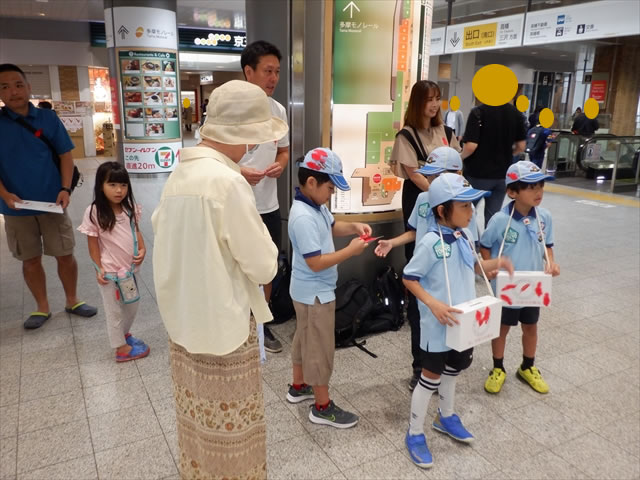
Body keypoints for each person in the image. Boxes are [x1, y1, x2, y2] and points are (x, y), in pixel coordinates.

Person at [152, 80, 285, 479]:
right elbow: (263, 266)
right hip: (225, 328)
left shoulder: (179, 176)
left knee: (196, 424)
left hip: (183, 323)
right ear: (244, 137)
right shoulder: (228, 184)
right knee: (233, 434)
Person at [402, 173, 513, 469]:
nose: (472, 211)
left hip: (463, 324)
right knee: (430, 379)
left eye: (471, 205)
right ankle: (414, 433)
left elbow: (475, 266)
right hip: (438, 326)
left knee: (454, 369)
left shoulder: (464, 236)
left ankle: (445, 416)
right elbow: (409, 278)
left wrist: (498, 263)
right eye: (464, 206)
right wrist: (433, 304)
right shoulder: (428, 243)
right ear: (442, 211)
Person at [0, 63, 97, 329]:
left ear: (28, 87)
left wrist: (65, 189)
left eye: (18, 84)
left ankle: (73, 300)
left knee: (64, 253)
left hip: (52, 202)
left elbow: (66, 155)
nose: (13, 91)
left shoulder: (47, 118)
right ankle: (42, 308)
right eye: (5, 87)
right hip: (16, 207)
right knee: (30, 259)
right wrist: (6, 195)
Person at [286, 147, 371, 428]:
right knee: (320, 348)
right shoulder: (302, 217)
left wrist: (355, 226)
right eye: (330, 188)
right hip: (315, 293)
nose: (331, 194)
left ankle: (299, 386)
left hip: (309, 292)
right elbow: (317, 262)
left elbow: (333, 226)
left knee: (304, 339)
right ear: (312, 183)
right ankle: (321, 407)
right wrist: (352, 251)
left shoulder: (316, 206)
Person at [390, 80, 460, 390]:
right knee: (420, 264)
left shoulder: (445, 131)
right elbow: (413, 173)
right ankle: (420, 361)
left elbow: (457, 166)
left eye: (437, 99)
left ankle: (444, 350)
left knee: (447, 271)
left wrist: (455, 194)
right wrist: (440, 193)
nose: (434, 105)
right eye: (429, 100)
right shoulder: (407, 135)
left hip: (447, 204)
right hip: (423, 197)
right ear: (418, 103)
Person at [480, 161, 560, 395]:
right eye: (531, 187)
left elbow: (548, 245)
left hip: (534, 285)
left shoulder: (544, 217)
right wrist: (489, 267)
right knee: (502, 328)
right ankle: (497, 367)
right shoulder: (499, 220)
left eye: (541, 186)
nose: (539, 192)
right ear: (512, 192)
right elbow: (485, 246)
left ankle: (527, 366)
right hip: (507, 287)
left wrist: (551, 263)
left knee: (531, 327)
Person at [238, 40, 290, 354]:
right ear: (249, 71)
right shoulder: (228, 106)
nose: (273, 78)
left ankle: (262, 323)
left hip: (268, 205)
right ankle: (238, 323)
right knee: (238, 267)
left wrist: (281, 165)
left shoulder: (278, 110)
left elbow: (283, 149)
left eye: (277, 72)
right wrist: (242, 173)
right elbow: (209, 155)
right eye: (267, 71)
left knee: (268, 265)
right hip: (236, 204)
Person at [78, 162, 149, 362]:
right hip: (109, 273)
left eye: (123, 185)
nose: (119, 190)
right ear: (101, 185)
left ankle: (123, 334)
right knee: (114, 310)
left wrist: (142, 249)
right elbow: (92, 244)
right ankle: (121, 348)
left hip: (130, 270)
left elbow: (136, 231)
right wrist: (98, 268)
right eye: (112, 185)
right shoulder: (94, 212)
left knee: (131, 305)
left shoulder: (130, 208)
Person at [375, 146, 479, 262]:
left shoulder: (465, 207)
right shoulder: (422, 198)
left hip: (448, 267)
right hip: (422, 263)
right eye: (428, 176)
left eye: (436, 176)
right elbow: (415, 231)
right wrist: (392, 243)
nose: (430, 181)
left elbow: (470, 243)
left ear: (458, 174)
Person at [461, 101, 527, 227]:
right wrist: (508, 154)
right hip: (502, 176)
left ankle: (470, 244)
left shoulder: (478, 112)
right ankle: (488, 246)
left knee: (465, 214)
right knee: (493, 218)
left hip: (477, 174)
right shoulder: (516, 114)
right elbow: (521, 146)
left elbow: (471, 146)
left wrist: (460, 157)